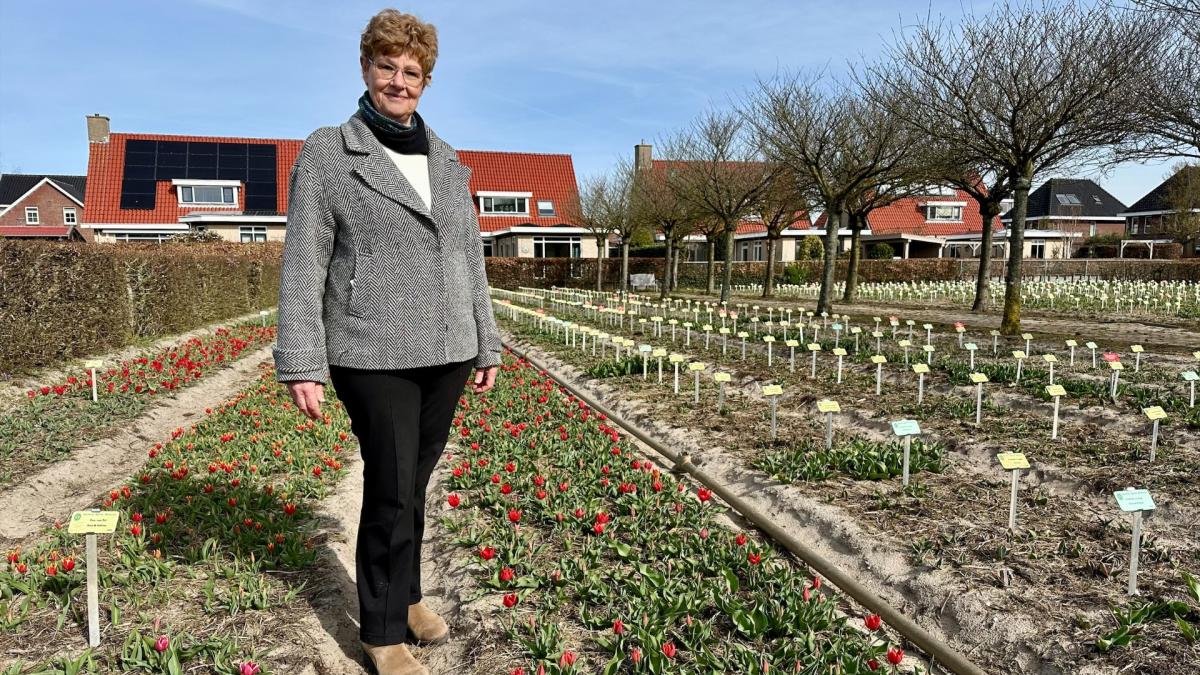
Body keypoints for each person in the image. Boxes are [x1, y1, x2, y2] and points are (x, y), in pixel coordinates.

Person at [272, 9, 501, 675]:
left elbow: (470, 261)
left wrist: (485, 342)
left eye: (413, 72)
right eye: (388, 67)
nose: (400, 81)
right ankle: (379, 630)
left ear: (426, 81)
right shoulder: (328, 153)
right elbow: (303, 262)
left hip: (449, 348)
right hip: (372, 351)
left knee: (418, 478)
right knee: (391, 484)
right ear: (366, 68)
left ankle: (406, 597)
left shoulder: (449, 161)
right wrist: (302, 359)